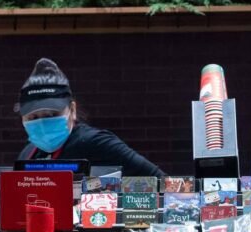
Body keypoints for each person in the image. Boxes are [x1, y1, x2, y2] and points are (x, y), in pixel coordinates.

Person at [16, 58, 165, 177]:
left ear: (72, 110)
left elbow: (162, 180)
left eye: (51, 115)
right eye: (33, 117)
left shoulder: (96, 143)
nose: (42, 122)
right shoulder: (28, 154)